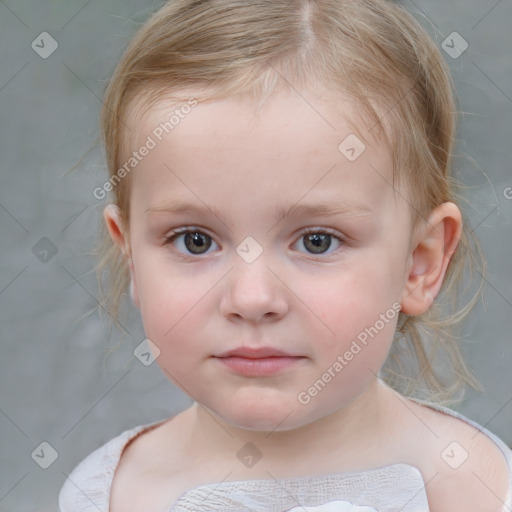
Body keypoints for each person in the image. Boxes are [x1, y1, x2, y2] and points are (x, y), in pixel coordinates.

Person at [59, 0, 512, 510]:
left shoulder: (474, 486)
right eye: (195, 240)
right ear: (132, 259)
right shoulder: (109, 495)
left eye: (317, 241)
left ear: (419, 262)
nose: (252, 299)